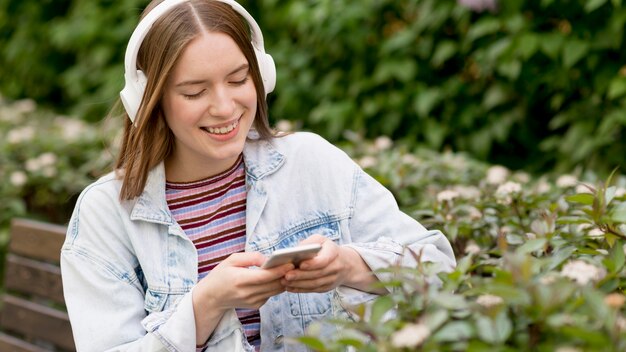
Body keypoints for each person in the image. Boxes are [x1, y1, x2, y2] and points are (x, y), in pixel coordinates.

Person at [60, 0, 456, 351]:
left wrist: (350, 266)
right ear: (147, 99)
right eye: (195, 92)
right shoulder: (106, 215)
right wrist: (206, 305)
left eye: (237, 80)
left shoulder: (312, 162)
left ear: (261, 74)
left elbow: (439, 270)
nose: (224, 106)